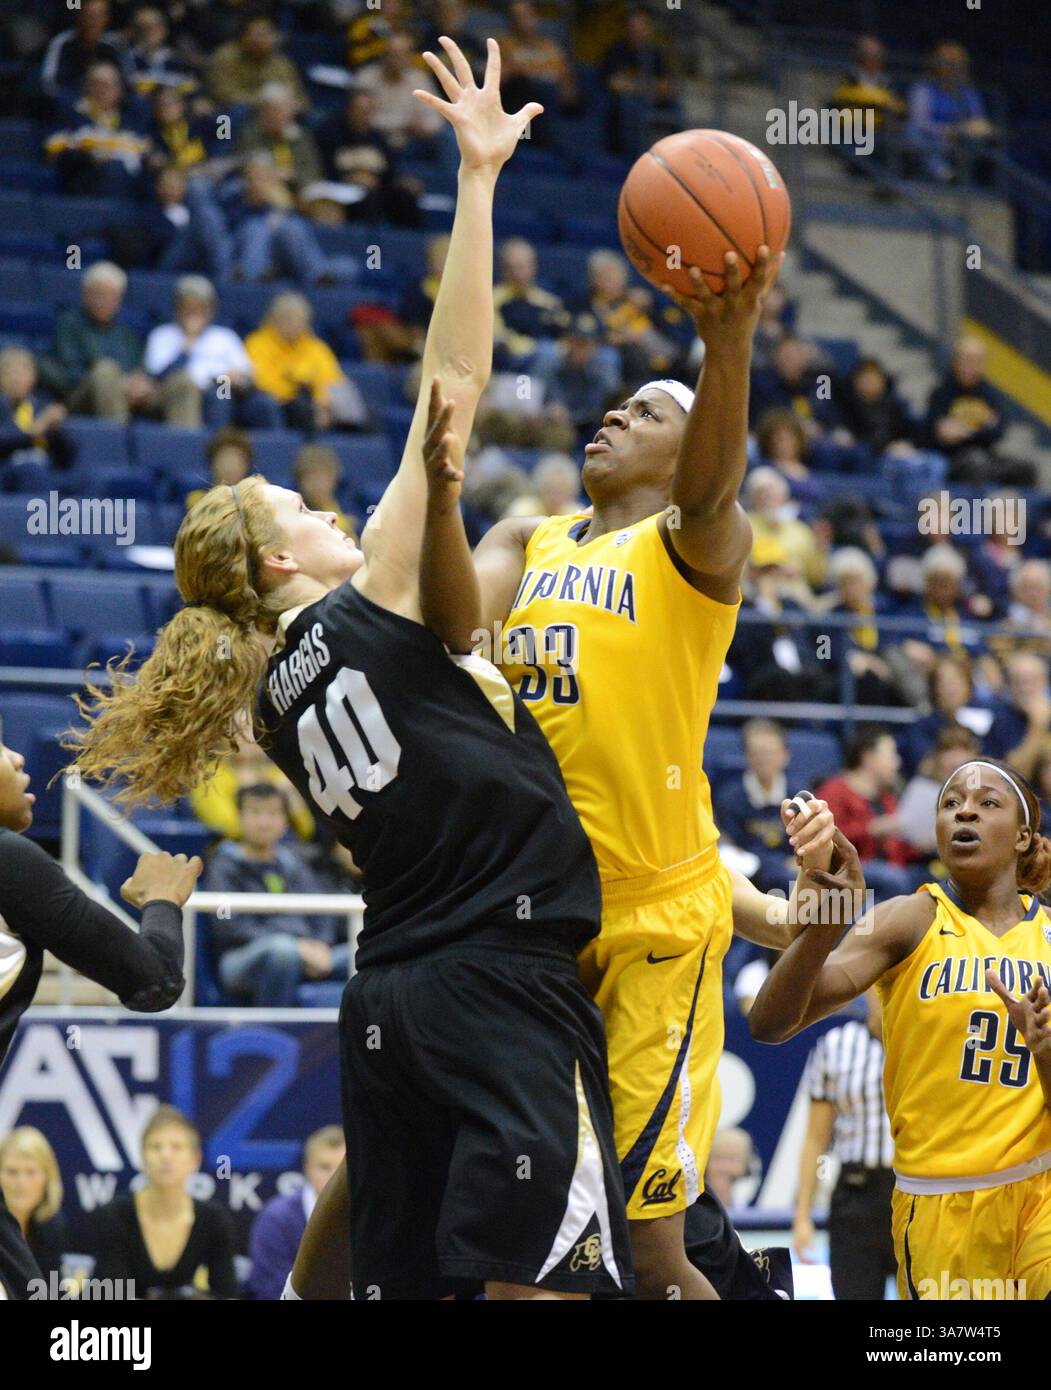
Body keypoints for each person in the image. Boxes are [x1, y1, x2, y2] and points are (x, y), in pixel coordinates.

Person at [68, 37, 633, 1303]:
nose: (326, 506)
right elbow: (456, 374)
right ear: (278, 563)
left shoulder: (271, 692)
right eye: (298, 506)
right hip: (496, 974)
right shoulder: (363, 595)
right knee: (555, 1279)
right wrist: (478, 184)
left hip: (390, 996)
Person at [468, 173, 841, 1292]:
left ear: (684, 457)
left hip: (652, 930)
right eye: (614, 403)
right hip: (530, 905)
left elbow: (720, 484)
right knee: (522, 1230)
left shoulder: (692, 553)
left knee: (647, 1243)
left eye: (650, 411)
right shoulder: (527, 540)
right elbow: (445, 627)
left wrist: (726, 344)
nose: (617, 413)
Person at [751, 758, 1051, 1301]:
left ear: (1023, 835)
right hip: (941, 1201)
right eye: (951, 802)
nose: (965, 810)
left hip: (1042, 1188)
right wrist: (825, 925)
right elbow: (770, 1023)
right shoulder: (908, 919)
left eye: (987, 804)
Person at [0, 741, 197, 1299]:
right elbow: (154, 982)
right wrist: (162, 901)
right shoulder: (9, 862)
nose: (19, 758)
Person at [793, 989, 896, 1300]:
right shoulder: (835, 1046)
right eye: (879, 983)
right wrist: (802, 1215)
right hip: (856, 1194)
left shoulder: (929, 1041)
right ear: (867, 989)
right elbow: (815, 1140)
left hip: (917, 1191)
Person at [206, 784, 348, 1008]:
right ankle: (273, 1029)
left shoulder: (293, 863)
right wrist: (297, 945)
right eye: (255, 813)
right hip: (242, 957)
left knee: (362, 955)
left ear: (284, 821)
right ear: (240, 817)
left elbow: (322, 911)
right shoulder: (223, 864)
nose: (264, 822)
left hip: (305, 952)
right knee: (283, 951)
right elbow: (228, 924)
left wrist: (320, 944)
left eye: (273, 814)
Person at [92, 1106, 237, 1299]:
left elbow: (226, 1293)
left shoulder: (213, 1219)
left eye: (176, 1147)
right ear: (142, 1158)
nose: (166, 1155)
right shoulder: (115, 1215)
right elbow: (106, 1294)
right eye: (155, 1147)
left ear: (195, 1159)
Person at [143, 275, 279, 430]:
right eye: (189, 307)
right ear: (178, 308)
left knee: (260, 401)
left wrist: (237, 377)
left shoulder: (224, 336)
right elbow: (158, 375)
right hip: (181, 390)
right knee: (217, 396)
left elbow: (248, 374)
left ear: (211, 310)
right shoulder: (163, 335)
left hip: (222, 385)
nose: (195, 313)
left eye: (201, 307)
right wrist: (188, 344)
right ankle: (216, 444)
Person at [817, 728, 922, 900]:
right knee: (894, 879)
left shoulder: (887, 797)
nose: (897, 762)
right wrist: (871, 829)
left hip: (890, 869)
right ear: (868, 757)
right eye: (890, 755)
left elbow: (897, 847)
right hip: (850, 870)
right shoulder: (834, 791)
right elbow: (827, 838)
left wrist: (918, 846)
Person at [244, 1126, 345, 1301]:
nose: (333, 1178)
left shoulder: (372, 1217)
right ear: (307, 1168)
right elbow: (270, 1288)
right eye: (324, 1166)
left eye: (341, 1170)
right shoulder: (276, 1218)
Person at [245, 293, 355, 435]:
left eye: (299, 320)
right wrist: (296, 380)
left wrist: (322, 405)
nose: (294, 324)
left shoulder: (316, 347)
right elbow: (259, 381)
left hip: (315, 403)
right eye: (287, 319)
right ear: (273, 319)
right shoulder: (257, 343)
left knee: (365, 411)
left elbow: (332, 380)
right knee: (300, 408)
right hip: (280, 402)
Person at [0, 1129, 69, 1294]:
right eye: (11, 1172)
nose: (21, 1183)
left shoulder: (51, 1227)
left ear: (47, 1178)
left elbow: (55, 1292)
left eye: (31, 1172)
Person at [207, 15, 307, 110]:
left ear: (275, 38)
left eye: (265, 35)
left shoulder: (282, 64)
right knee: (239, 111)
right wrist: (262, 101)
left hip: (277, 115)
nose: (260, 40)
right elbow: (223, 94)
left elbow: (299, 97)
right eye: (256, 34)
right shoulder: (227, 56)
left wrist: (295, 104)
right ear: (244, 36)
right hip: (235, 111)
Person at [0, 347, 73, 473]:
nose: (16, 379)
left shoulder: (44, 404)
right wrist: (35, 430)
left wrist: (58, 432)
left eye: (22, 373)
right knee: (31, 471)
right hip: (7, 471)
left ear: (33, 376)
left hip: (44, 469)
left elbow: (67, 457)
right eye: (10, 373)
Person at [40, 0, 132, 99]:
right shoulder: (62, 43)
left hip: (110, 104)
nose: (93, 21)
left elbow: (129, 81)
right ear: (80, 16)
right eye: (89, 16)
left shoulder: (116, 44)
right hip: (72, 103)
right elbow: (48, 83)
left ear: (106, 18)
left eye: (98, 16)